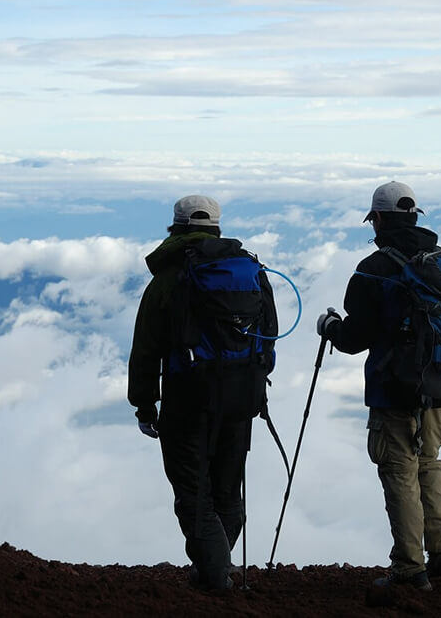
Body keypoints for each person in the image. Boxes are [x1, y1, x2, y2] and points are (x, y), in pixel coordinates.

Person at [128, 195, 278, 592]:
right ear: (217, 226)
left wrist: (144, 403)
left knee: (194, 490)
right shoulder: (250, 271)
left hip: (188, 399)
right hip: (243, 397)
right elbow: (269, 335)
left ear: (175, 228)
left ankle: (214, 575)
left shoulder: (168, 279)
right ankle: (216, 566)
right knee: (228, 487)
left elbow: (145, 349)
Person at [316, 181, 441, 592]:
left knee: (398, 469)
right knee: (429, 461)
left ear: (376, 219)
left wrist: (330, 328)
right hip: (440, 386)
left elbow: (353, 339)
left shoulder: (371, 270)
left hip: (393, 388)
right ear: (416, 217)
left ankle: (410, 568)